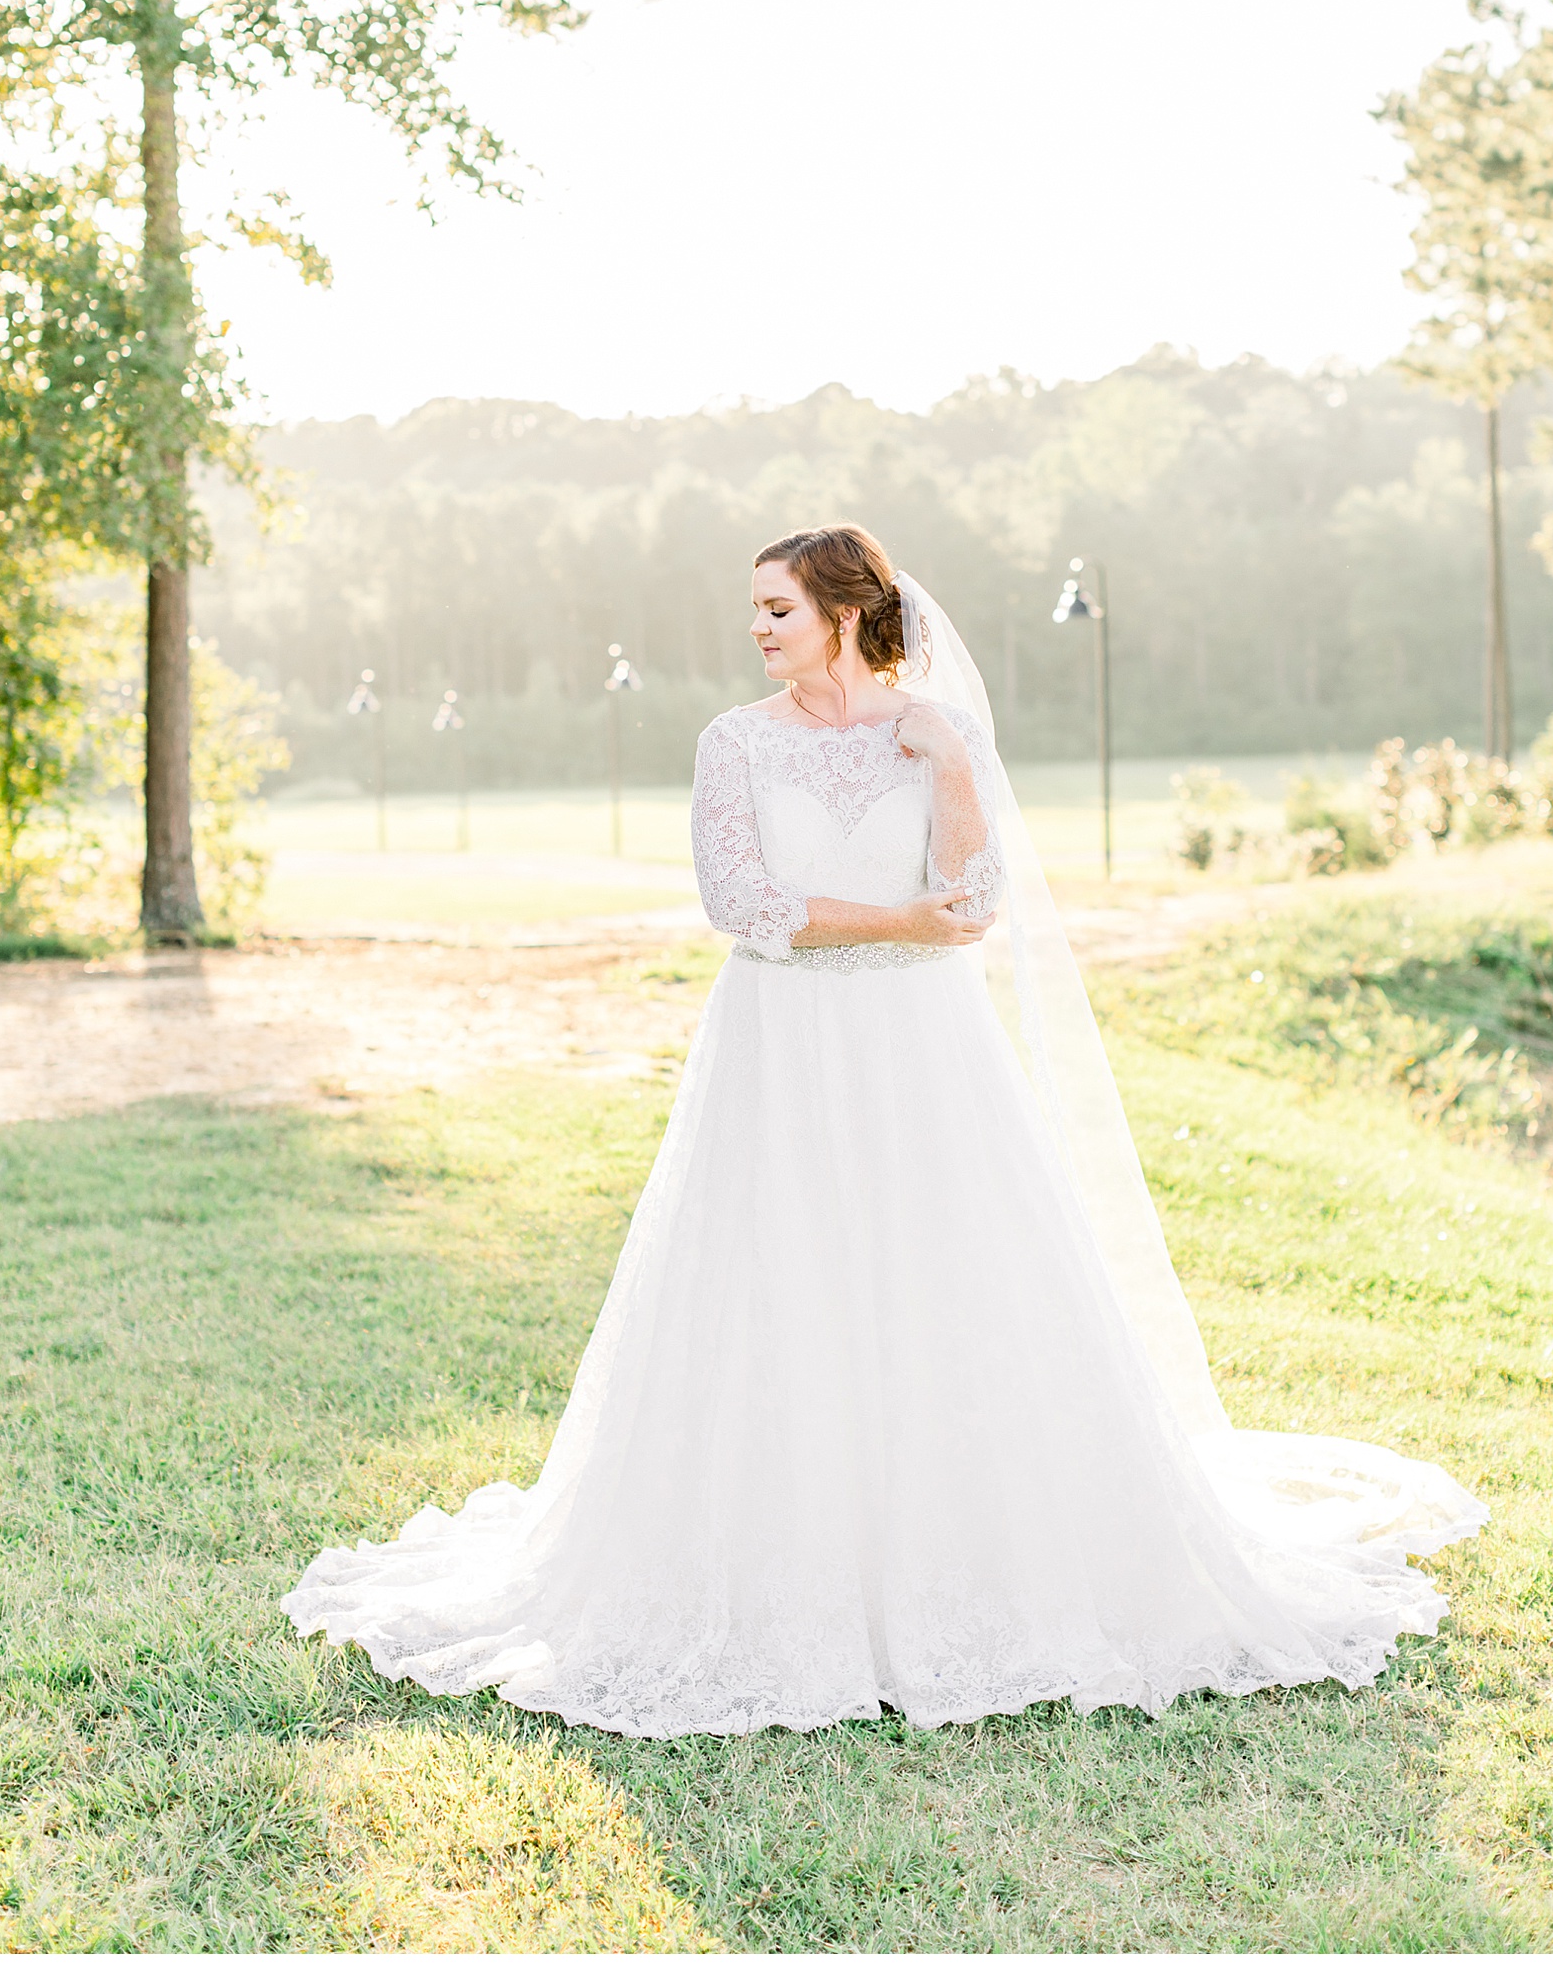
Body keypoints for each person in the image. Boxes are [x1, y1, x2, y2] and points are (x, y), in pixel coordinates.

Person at [282, 523, 1484, 1736]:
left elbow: (977, 903)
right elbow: (741, 902)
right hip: (780, 1047)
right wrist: (902, 917)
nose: (755, 627)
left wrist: (950, 770)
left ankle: (968, 1552)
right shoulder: (732, 742)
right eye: (751, 609)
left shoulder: (933, 733)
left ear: (846, 611)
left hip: (925, 1054)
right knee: (774, 1279)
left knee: (952, 1278)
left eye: (776, 607)